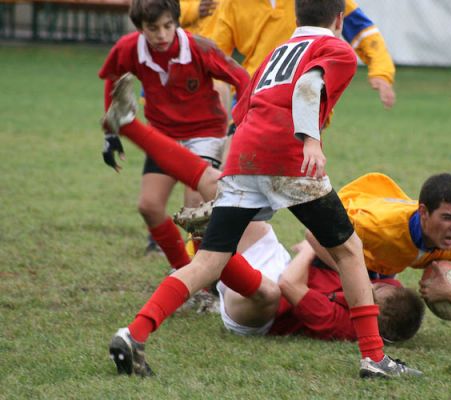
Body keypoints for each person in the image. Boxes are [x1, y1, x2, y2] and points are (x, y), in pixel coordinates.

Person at [104, 0, 422, 379]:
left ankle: (133, 333)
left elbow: (246, 104)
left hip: (244, 152)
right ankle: (374, 357)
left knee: (208, 262)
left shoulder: (277, 51)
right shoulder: (336, 48)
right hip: (287, 156)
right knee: (350, 250)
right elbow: (308, 86)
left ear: (296, 16)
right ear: (339, 19)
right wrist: (310, 141)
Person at [98, 0, 249, 270]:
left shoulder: (200, 48)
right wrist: (111, 134)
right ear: (140, 28)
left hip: (205, 133)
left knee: (197, 209)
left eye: (168, 26)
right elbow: (113, 77)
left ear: (177, 22)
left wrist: (242, 121)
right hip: (164, 135)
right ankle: (183, 272)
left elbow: (242, 78)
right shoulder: (129, 48)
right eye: (153, 28)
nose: (162, 35)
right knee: (149, 206)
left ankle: (210, 282)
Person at [306, 172, 451, 310]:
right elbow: (313, 234)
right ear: (424, 213)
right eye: (448, 218)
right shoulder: (377, 228)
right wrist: (361, 282)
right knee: (340, 319)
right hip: (350, 231)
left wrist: (449, 292)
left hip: (385, 257)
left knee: (395, 312)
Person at [213, 228, 425, 343]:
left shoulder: (341, 324)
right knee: (237, 209)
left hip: (259, 314)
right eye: (378, 286)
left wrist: (308, 250)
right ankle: (206, 255)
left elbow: (288, 283)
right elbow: (315, 234)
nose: (370, 285)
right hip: (281, 266)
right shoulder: (390, 290)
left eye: (374, 291)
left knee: (269, 292)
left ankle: (210, 256)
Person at [207, 0, 397, 109]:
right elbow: (215, 54)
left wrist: (381, 71)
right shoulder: (231, 3)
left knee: (297, 167)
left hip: (306, 97)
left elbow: (361, 30)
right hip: (252, 97)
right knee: (239, 167)